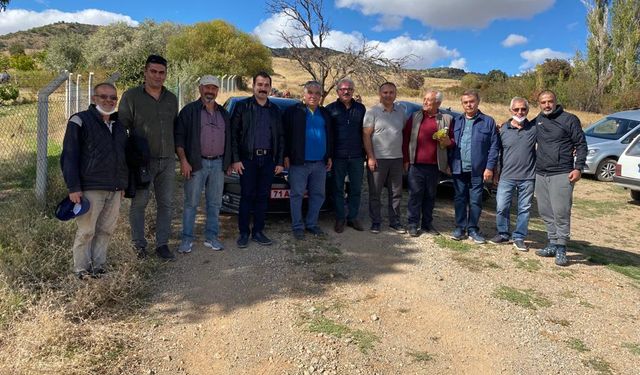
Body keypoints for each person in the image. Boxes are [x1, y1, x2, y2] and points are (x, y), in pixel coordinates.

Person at [61, 82, 128, 279]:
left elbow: (122, 156)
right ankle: (81, 270)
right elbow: (69, 156)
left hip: (114, 187)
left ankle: (99, 267)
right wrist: (73, 187)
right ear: (94, 98)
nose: (108, 101)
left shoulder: (118, 124)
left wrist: (123, 184)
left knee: (106, 230)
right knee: (86, 231)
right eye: (103, 96)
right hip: (90, 187)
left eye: (113, 98)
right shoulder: (80, 120)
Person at [118, 54, 179, 260]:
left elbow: (174, 127)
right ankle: (139, 245)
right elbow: (121, 129)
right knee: (139, 204)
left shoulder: (171, 98)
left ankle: (162, 244)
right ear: (145, 72)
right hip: (142, 163)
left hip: (168, 161)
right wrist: (126, 160)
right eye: (153, 71)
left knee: (166, 204)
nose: (157, 76)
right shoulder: (131, 96)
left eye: (162, 72)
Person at [174, 75, 232, 253]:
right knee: (191, 203)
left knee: (215, 203)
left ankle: (211, 237)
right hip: (195, 163)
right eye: (207, 87)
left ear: (217, 91)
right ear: (200, 89)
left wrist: (228, 162)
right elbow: (179, 138)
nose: (210, 91)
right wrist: (183, 161)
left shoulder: (223, 113)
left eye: (214, 88)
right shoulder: (189, 111)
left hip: (218, 164)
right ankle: (186, 239)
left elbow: (230, 140)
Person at [229, 72, 285, 248]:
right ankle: (244, 233)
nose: (263, 88)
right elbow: (233, 135)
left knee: (263, 197)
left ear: (270, 87)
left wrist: (279, 161)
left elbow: (281, 138)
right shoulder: (242, 106)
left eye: (266, 85)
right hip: (248, 160)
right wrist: (236, 160)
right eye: (259, 84)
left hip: (268, 160)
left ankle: (258, 232)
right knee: (247, 196)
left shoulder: (275, 110)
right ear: (253, 86)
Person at [533, 90, 587, 266]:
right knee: (545, 211)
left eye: (550, 101)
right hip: (541, 173)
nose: (547, 105)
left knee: (561, 212)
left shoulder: (569, 119)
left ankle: (562, 248)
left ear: (555, 101)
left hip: (562, 173)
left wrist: (578, 168)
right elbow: (523, 130)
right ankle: (552, 243)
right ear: (539, 104)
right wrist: (506, 125)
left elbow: (581, 144)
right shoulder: (538, 120)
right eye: (543, 102)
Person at [283, 81, 334, 240]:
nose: (313, 96)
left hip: (320, 163)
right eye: (310, 92)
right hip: (299, 163)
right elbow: (284, 135)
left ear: (321, 96)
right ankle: (297, 226)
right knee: (297, 195)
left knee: (318, 195)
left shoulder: (325, 113)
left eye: (317, 93)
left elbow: (330, 136)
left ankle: (311, 224)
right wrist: (285, 155)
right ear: (304, 95)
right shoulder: (292, 111)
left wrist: (329, 155)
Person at [448, 90, 499, 244]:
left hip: (478, 170)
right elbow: (450, 145)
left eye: (471, 101)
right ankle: (460, 228)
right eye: (465, 102)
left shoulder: (488, 122)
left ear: (478, 102)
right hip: (459, 168)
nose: (469, 104)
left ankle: (473, 229)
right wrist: (448, 164)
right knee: (459, 199)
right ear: (462, 104)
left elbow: (494, 147)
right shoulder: (456, 121)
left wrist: (490, 168)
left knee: (476, 200)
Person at [402, 89, 454, 237]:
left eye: (428, 100)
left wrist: (448, 142)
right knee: (415, 195)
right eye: (424, 99)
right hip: (416, 164)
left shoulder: (447, 119)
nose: (424, 102)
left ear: (438, 103)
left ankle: (427, 224)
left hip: (434, 166)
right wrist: (406, 159)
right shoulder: (415, 116)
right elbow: (406, 138)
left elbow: (453, 141)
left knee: (430, 196)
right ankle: (412, 224)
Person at [489, 97, 537, 251]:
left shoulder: (535, 128)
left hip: (528, 177)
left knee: (524, 209)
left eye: (523, 109)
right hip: (506, 176)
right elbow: (496, 152)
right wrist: (496, 172)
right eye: (516, 109)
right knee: (502, 206)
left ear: (527, 111)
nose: (520, 112)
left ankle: (519, 237)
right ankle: (503, 233)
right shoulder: (502, 129)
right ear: (511, 111)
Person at [363, 82, 408, 234]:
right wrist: (370, 157)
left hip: (396, 159)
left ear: (395, 94)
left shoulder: (401, 111)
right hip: (378, 159)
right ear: (380, 94)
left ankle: (395, 222)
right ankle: (376, 222)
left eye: (391, 92)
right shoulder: (372, 112)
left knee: (396, 193)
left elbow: (402, 131)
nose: (388, 95)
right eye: (385, 93)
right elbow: (366, 135)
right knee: (375, 192)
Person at [325, 78, 366, 233]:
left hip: (356, 156)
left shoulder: (361, 109)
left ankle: (353, 217)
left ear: (353, 91)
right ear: (338, 92)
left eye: (349, 89)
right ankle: (340, 218)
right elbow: (328, 134)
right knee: (337, 189)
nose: (346, 91)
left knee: (356, 188)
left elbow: (365, 132)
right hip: (338, 156)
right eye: (342, 89)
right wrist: (328, 155)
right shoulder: (330, 109)